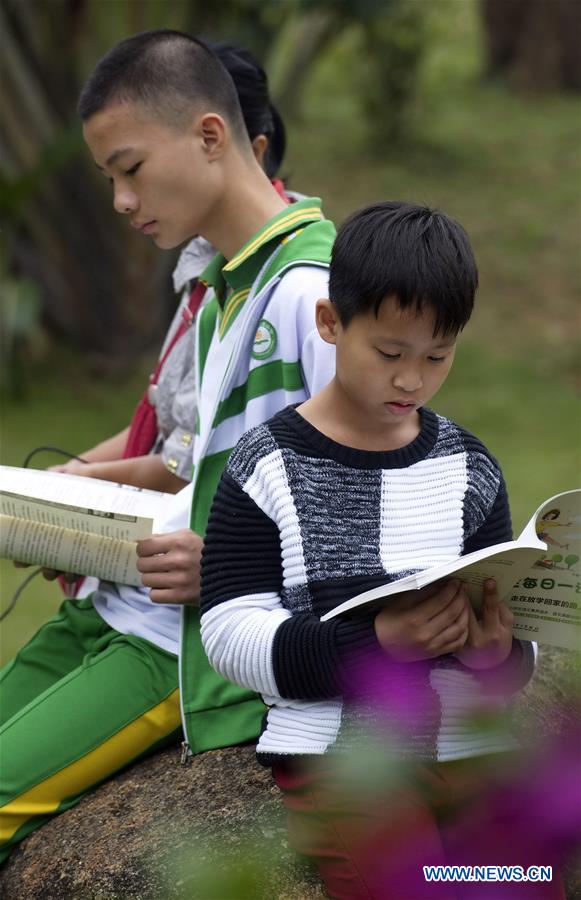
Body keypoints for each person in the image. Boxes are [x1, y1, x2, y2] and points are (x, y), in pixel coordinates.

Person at [0, 29, 336, 864]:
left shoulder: (312, 292)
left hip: (175, 650)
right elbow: (206, 469)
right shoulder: (226, 290)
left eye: (129, 168)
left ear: (210, 137)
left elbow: (374, 497)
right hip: (111, 610)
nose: (119, 199)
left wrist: (229, 569)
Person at [199, 202, 556, 899]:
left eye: (437, 357)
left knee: (523, 878)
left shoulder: (467, 466)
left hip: (470, 749)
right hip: (343, 758)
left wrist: (497, 657)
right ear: (330, 323)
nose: (411, 380)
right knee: (413, 883)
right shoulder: (268, 461)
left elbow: (512, 637)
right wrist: (376, 647)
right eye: (389, 353)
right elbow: (229, 631)